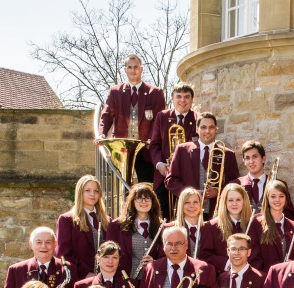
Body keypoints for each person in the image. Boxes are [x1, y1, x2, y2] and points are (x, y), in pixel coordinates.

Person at [97, 53, 166, 185]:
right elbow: (106, 115)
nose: (133, 70)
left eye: (136, 67)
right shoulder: (115, 92)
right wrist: (102, 134)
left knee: (145, 187)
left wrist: (152, 139)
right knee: (121, 187)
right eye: (130, 67)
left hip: (145, 149)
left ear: (141, 69)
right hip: (122, 149)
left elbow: (159, 121)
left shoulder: (155, 93)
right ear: (125, 70)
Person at [165, 112, 241, 218]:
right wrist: (190, 195)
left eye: (211, 127)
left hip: (216, 212)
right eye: (203, 127)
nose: (207, 131)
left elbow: (235, 184)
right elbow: (170, 181)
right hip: (188, 211)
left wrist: (218, 191)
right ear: (197, 129)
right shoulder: (182, 150)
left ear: (216, 129)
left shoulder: (227, 154)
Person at [0, 226, 71, 288]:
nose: (43, 246)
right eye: (39, 242)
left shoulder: (68, 269)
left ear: (55, 244)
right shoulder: (16, 270)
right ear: (31, 244)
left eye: (48, 242)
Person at [150, 82, 200, 216]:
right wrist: (160, 164)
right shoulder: (162, 116)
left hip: (187, 177)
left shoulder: (198, 118)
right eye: (179, 96)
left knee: (187, 214)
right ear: (172, 99)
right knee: (162, 215)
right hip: (164, 175)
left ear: (191, 100)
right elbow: (154, 145)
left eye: (186, 97)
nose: (182, 100)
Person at [56, 175, 109, 281]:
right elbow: (63, 254)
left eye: (96, 191)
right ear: (80, 192)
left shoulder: (108, 221)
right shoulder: (66, 220)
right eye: (87, 190)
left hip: (104, 278)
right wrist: (86, 273)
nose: (92, 194)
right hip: (79, 279)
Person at [104, 183, 163, 279]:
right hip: (125, 279)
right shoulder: (116, 226)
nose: (144, 201)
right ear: (132, 201)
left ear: (152, 201)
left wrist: (155, 262)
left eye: (147, 198)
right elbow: (108, 253)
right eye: (139, 198)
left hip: (151, 279)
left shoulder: (161, 226)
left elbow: (164, 254)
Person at [199, 183, 255, 275]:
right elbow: (205, 256)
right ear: (224, 202)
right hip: (222, 279)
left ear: (244, 201)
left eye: (238, 199)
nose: (234, 204)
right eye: (230, 200)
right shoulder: (211, 226)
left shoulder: (253, 224)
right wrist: (228, 263)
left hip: (250, 279)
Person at [234, 140, 294, 221]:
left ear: (263, 159)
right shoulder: (236, 184)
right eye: (247, 158)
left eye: (255, 156)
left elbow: (291, 216)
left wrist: (271, 215)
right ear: (244, 161)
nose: (251, 161)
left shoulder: (279, 184)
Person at [250, 179, 294, 272]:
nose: (277, 200)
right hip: (265, 281)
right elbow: (253, 259)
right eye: (273, 196)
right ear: (267, 198)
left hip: (289, 280)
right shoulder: (255, 224)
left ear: (286, 199)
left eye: (281, 196)